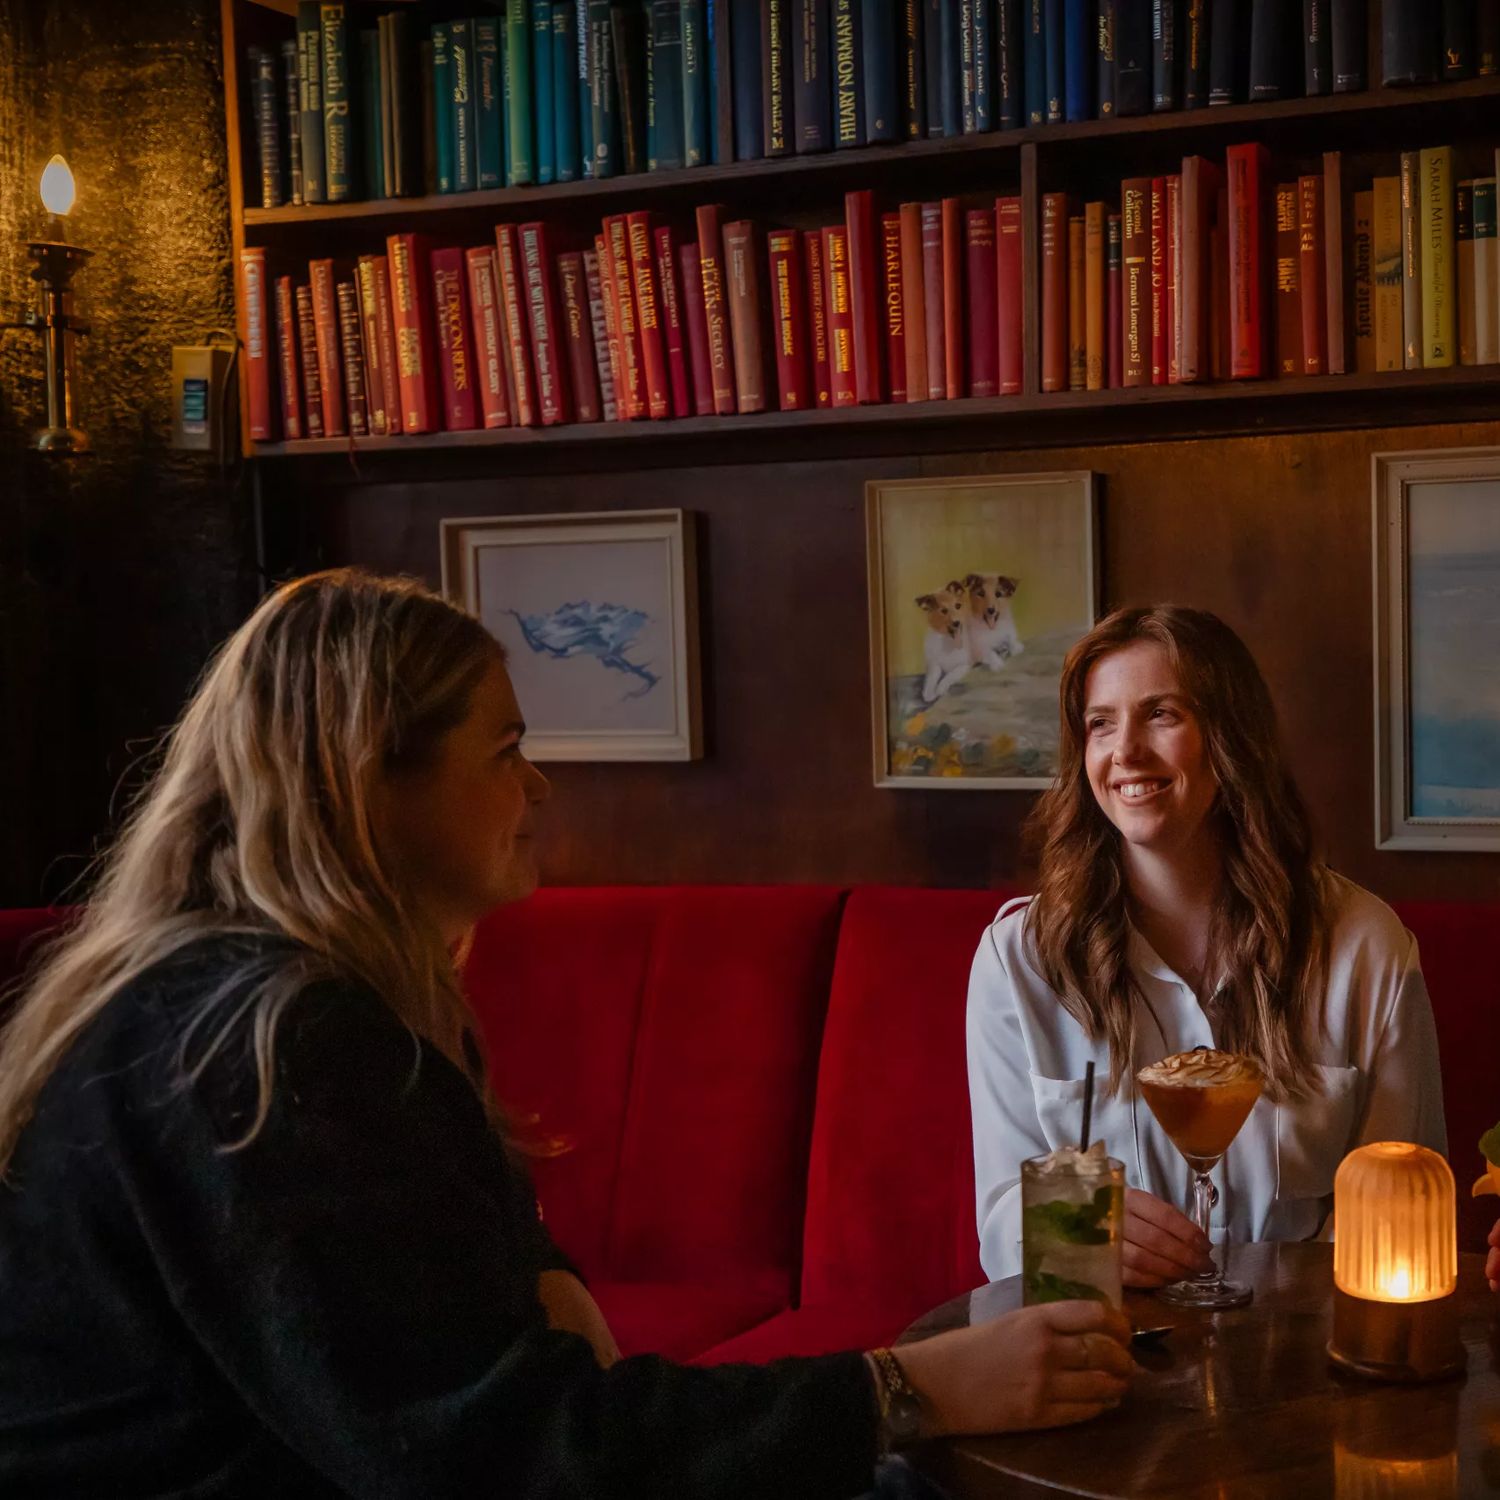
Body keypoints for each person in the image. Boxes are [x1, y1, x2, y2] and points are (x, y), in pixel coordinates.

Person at [0, 570, 1132, 1499]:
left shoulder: (251, 997)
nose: (539, 788)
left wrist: (542, 1279)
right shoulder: (268, 1043)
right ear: (368, 788)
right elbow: (492, 1455)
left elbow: (462, 1345)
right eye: (503, 752)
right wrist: (910, 1389)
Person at [967, 605, 1445, 1287]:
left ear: (1231, 739)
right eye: (1100, 722)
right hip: (1112, 1352)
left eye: (1162, 714)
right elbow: (999, 1222)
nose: (1125, 750)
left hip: (1302, 1354)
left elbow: (1405, 1191)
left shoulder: (1364, 945)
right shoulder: (1019, 962)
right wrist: (1082, 1227)